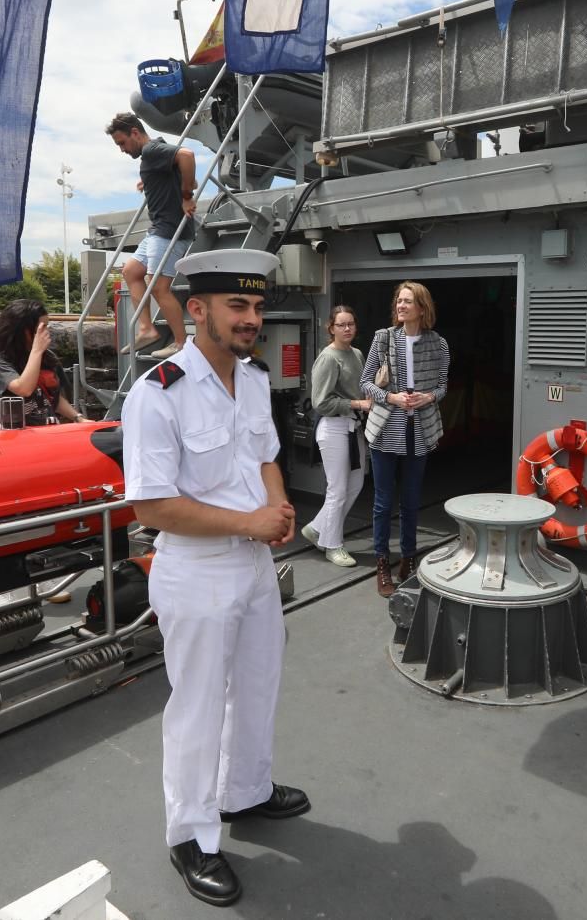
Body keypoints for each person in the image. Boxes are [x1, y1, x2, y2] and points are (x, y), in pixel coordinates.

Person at [121, 248, 310, 909]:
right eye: (237, 305)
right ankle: (191, 837)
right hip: (196, 570)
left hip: (254, 564)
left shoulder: (253, 379)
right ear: (197, 310)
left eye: (257, 306)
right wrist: (250, 522)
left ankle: (245, 791)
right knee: (198, 708)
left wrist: (277, 510)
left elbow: (265, 456)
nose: (251, 318)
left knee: (258, 684)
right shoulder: (158, 393)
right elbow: (151, 507)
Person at [360, 281, 450, 598]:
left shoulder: (438, 344)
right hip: (387, 428)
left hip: (420, 429)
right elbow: (366, 383)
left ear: (422, 308)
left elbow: (442, 386)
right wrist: (391, 398)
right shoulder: (383, 338)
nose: (401, 305)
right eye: (399, 300)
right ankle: (382, 562)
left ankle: (409, 559)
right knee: (383, 502)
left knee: (411, 501)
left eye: (408, 301)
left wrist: (428, 397)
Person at [106, 113, 197, 358]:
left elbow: (187, 156)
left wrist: (187, 195)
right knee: (131, 271)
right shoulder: (156, 154)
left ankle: (181, 342)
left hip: (169, 230)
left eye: (122, 143)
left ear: (135, 133)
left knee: (158, 287)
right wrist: (150, 181)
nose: (122, 149)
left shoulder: (151, 150)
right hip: (158, 229)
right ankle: (147, 329)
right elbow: (181, 172)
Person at [302, 306, 371, 568]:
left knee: (355, 485)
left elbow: (359, 389)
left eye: (350, 324)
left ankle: (317, 528)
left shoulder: (357, 354)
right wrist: (357, 404)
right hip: (333, 428)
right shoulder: (328, 358)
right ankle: (332, 545)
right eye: (341, 325)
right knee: (337, 490)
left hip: (353, 427)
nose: (347, 329)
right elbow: (320, 402)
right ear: (331, 328)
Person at [0, 299, 87, 428]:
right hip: (15, 429)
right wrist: (37, 351)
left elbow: (54, 398)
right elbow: (23, 389)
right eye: (42, 327)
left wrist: (78, 418)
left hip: (46, 426)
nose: (47, 332)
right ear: (24, 330)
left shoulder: (47, 356)